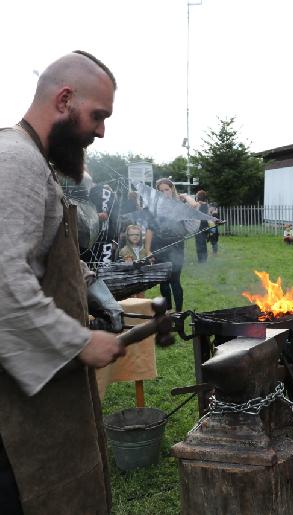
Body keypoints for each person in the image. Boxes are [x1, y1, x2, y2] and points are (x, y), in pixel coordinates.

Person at [0, 51, 125, 514]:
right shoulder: (15, 162)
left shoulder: (32, 160)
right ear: (65, 99)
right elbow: (3, 282)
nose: (101, 130)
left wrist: (90, 287)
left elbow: (43, 255)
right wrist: (78, 342)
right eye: (98, 115)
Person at [146, 178, 186, 312]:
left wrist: (185, 196)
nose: (164, 193)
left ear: (172, 189)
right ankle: (168, 309)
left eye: (166, 190)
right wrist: (148, 251)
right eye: (161, 190)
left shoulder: (178, 205)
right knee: (163, 281)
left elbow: (194, 206)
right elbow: (149, 230)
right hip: (159, 247)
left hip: (176, 247)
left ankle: (179, 312)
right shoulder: (153, 208)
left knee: (175, 280)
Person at [194, 189, 210, 263]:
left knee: (199, 243)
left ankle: (201, 260)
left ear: (199, 197)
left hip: (199, 225)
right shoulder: (206, 204)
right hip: (205, 224)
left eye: (197, 195)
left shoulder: (198, 204)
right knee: (203, 243)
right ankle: (204, 259)